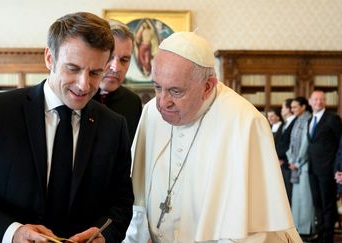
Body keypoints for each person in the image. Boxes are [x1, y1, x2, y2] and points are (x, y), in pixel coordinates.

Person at [0, 12, 134, 243]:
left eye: (95, 72)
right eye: (73, 68)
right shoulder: (0, 111)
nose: (84, 84)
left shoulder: (114, 126)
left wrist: (104, 236)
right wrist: (13, 233)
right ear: (49, 58)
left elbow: (121, 204)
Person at [124, 32, 301, 242]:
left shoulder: (245, 123)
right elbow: (139, 202)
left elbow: (250, 231)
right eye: (157, 87)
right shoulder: (152, 112)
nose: (163, 102)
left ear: (207, 86)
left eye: (175, 91)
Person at [93, 20, 142, 142]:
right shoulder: (76, 96)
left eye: (124, 60)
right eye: (109, 57)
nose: (116, 67)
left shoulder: (133, 102)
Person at [307, 90, 342, 243]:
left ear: (325, 102)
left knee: (328, 204)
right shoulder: (310, 119)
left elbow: (341, 143)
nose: (318, 102)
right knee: (317, 203)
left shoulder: (332, 118)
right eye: (315, 99)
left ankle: (328, 237)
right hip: (312, 169)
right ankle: (320, 234)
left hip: (328, 170)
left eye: (321, 99)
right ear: (310, 101)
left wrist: (338, 168)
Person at [285, 97, 315, 238]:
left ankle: (307, 231)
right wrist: (291, 159)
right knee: (296, 200)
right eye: (291, 107)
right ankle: (297, 229)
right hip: (294, 165)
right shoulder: (297, 120)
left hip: (304, 165)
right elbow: (291, 142)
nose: (292, 110)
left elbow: (305, 144)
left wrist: (297, 162)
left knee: (305, 199)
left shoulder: (308, 120)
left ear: (303, 107)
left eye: (295, 107)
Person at [277, 98, 297, 203]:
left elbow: (292, 144)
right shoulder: (286, 123)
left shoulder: (295, 122)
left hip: (288, 164)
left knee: (289, 195)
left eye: (283, 107)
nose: (281, 110)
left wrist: (284, 160)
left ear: (289, 109)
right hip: (282, 163)